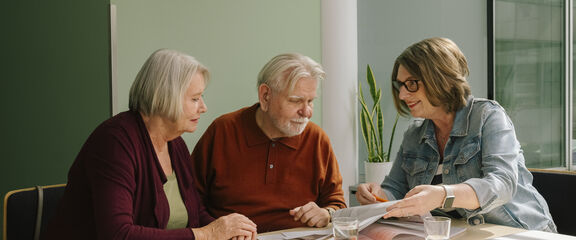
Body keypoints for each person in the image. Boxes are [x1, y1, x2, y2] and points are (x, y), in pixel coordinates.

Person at [44, 49, 257, 240]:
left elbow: (194, 214)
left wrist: (227, 230)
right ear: (166, 97)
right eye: (195, 99)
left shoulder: (176, 144)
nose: (203, 107)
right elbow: (117, 234)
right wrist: (206, 234)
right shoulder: (115, 142)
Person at [355, 38, 557, 232]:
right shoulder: (414, 135)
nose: (402, 95)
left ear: (439, 79)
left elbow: (502, 184)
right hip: (464, 234)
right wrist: (378, 195)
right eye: (400, 85)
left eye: (412, 83)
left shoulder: (487, 116)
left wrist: (444, 195)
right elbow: (396, 190)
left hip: (522, 231)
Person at [191, 53, 347, 233]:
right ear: (265, 96)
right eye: (296, 101)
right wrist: (218, 230)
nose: (307, 112)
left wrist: (326, 213)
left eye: (310, 101)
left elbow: (337, 202)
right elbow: (191, 200)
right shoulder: (223, 131)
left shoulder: (317, 139)